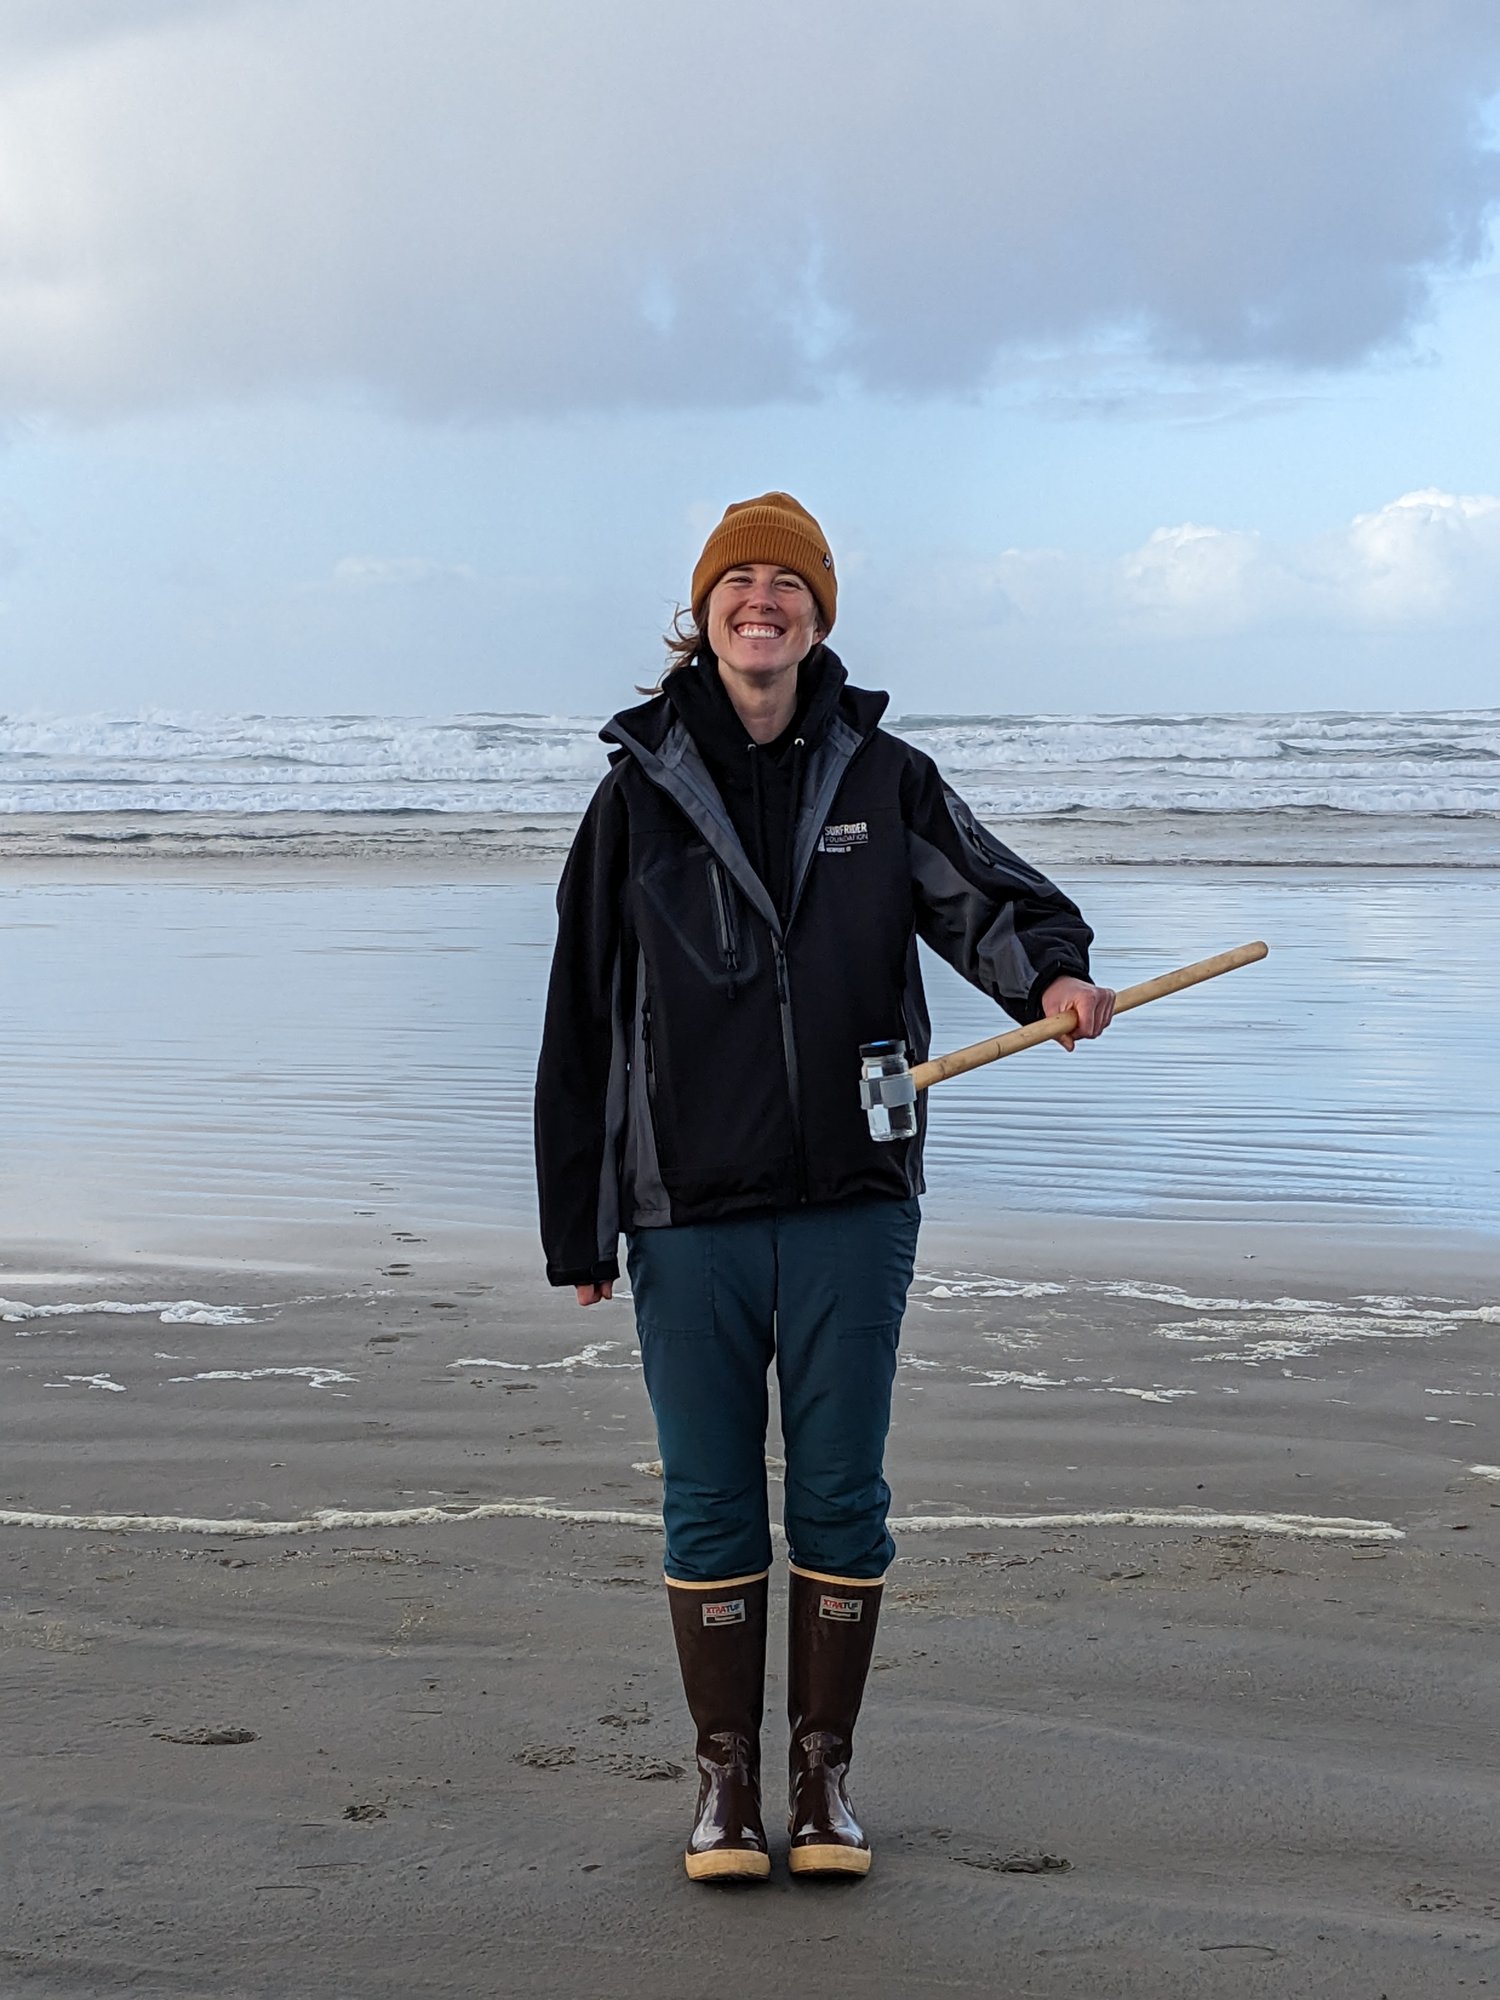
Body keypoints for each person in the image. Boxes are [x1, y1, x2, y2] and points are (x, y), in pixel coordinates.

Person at [534, 493, 1114, 1883]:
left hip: (857, 1194)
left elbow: (983, 897)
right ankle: (726, 1791)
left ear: (819, 612)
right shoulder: (637, 793)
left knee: (843, 1497)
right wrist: (580, 1219)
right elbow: (581, 1018)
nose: (761, 602)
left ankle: (825, 1783)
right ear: (705, 613)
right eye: (737, 582)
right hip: (688, 1206)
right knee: (712, 1499)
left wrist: (1055, 974)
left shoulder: (882, 777)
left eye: (785, 583)